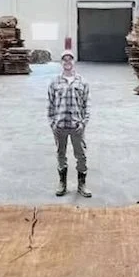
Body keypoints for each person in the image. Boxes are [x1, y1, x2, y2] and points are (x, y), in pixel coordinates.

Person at [47, 50, 91, 198]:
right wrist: (52, 123)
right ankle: (62, 183)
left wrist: (83, 123)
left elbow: (87, 104)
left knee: (81, 155)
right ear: (61, 62)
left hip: (76, 126)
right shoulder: (54, 82)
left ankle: (82, 184)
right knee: (61, 154)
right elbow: (50, 104)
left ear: (74, 62)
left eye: (70, 59)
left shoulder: (82, 82)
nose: (67, 62)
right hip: (60, 126)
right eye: (64, 59)